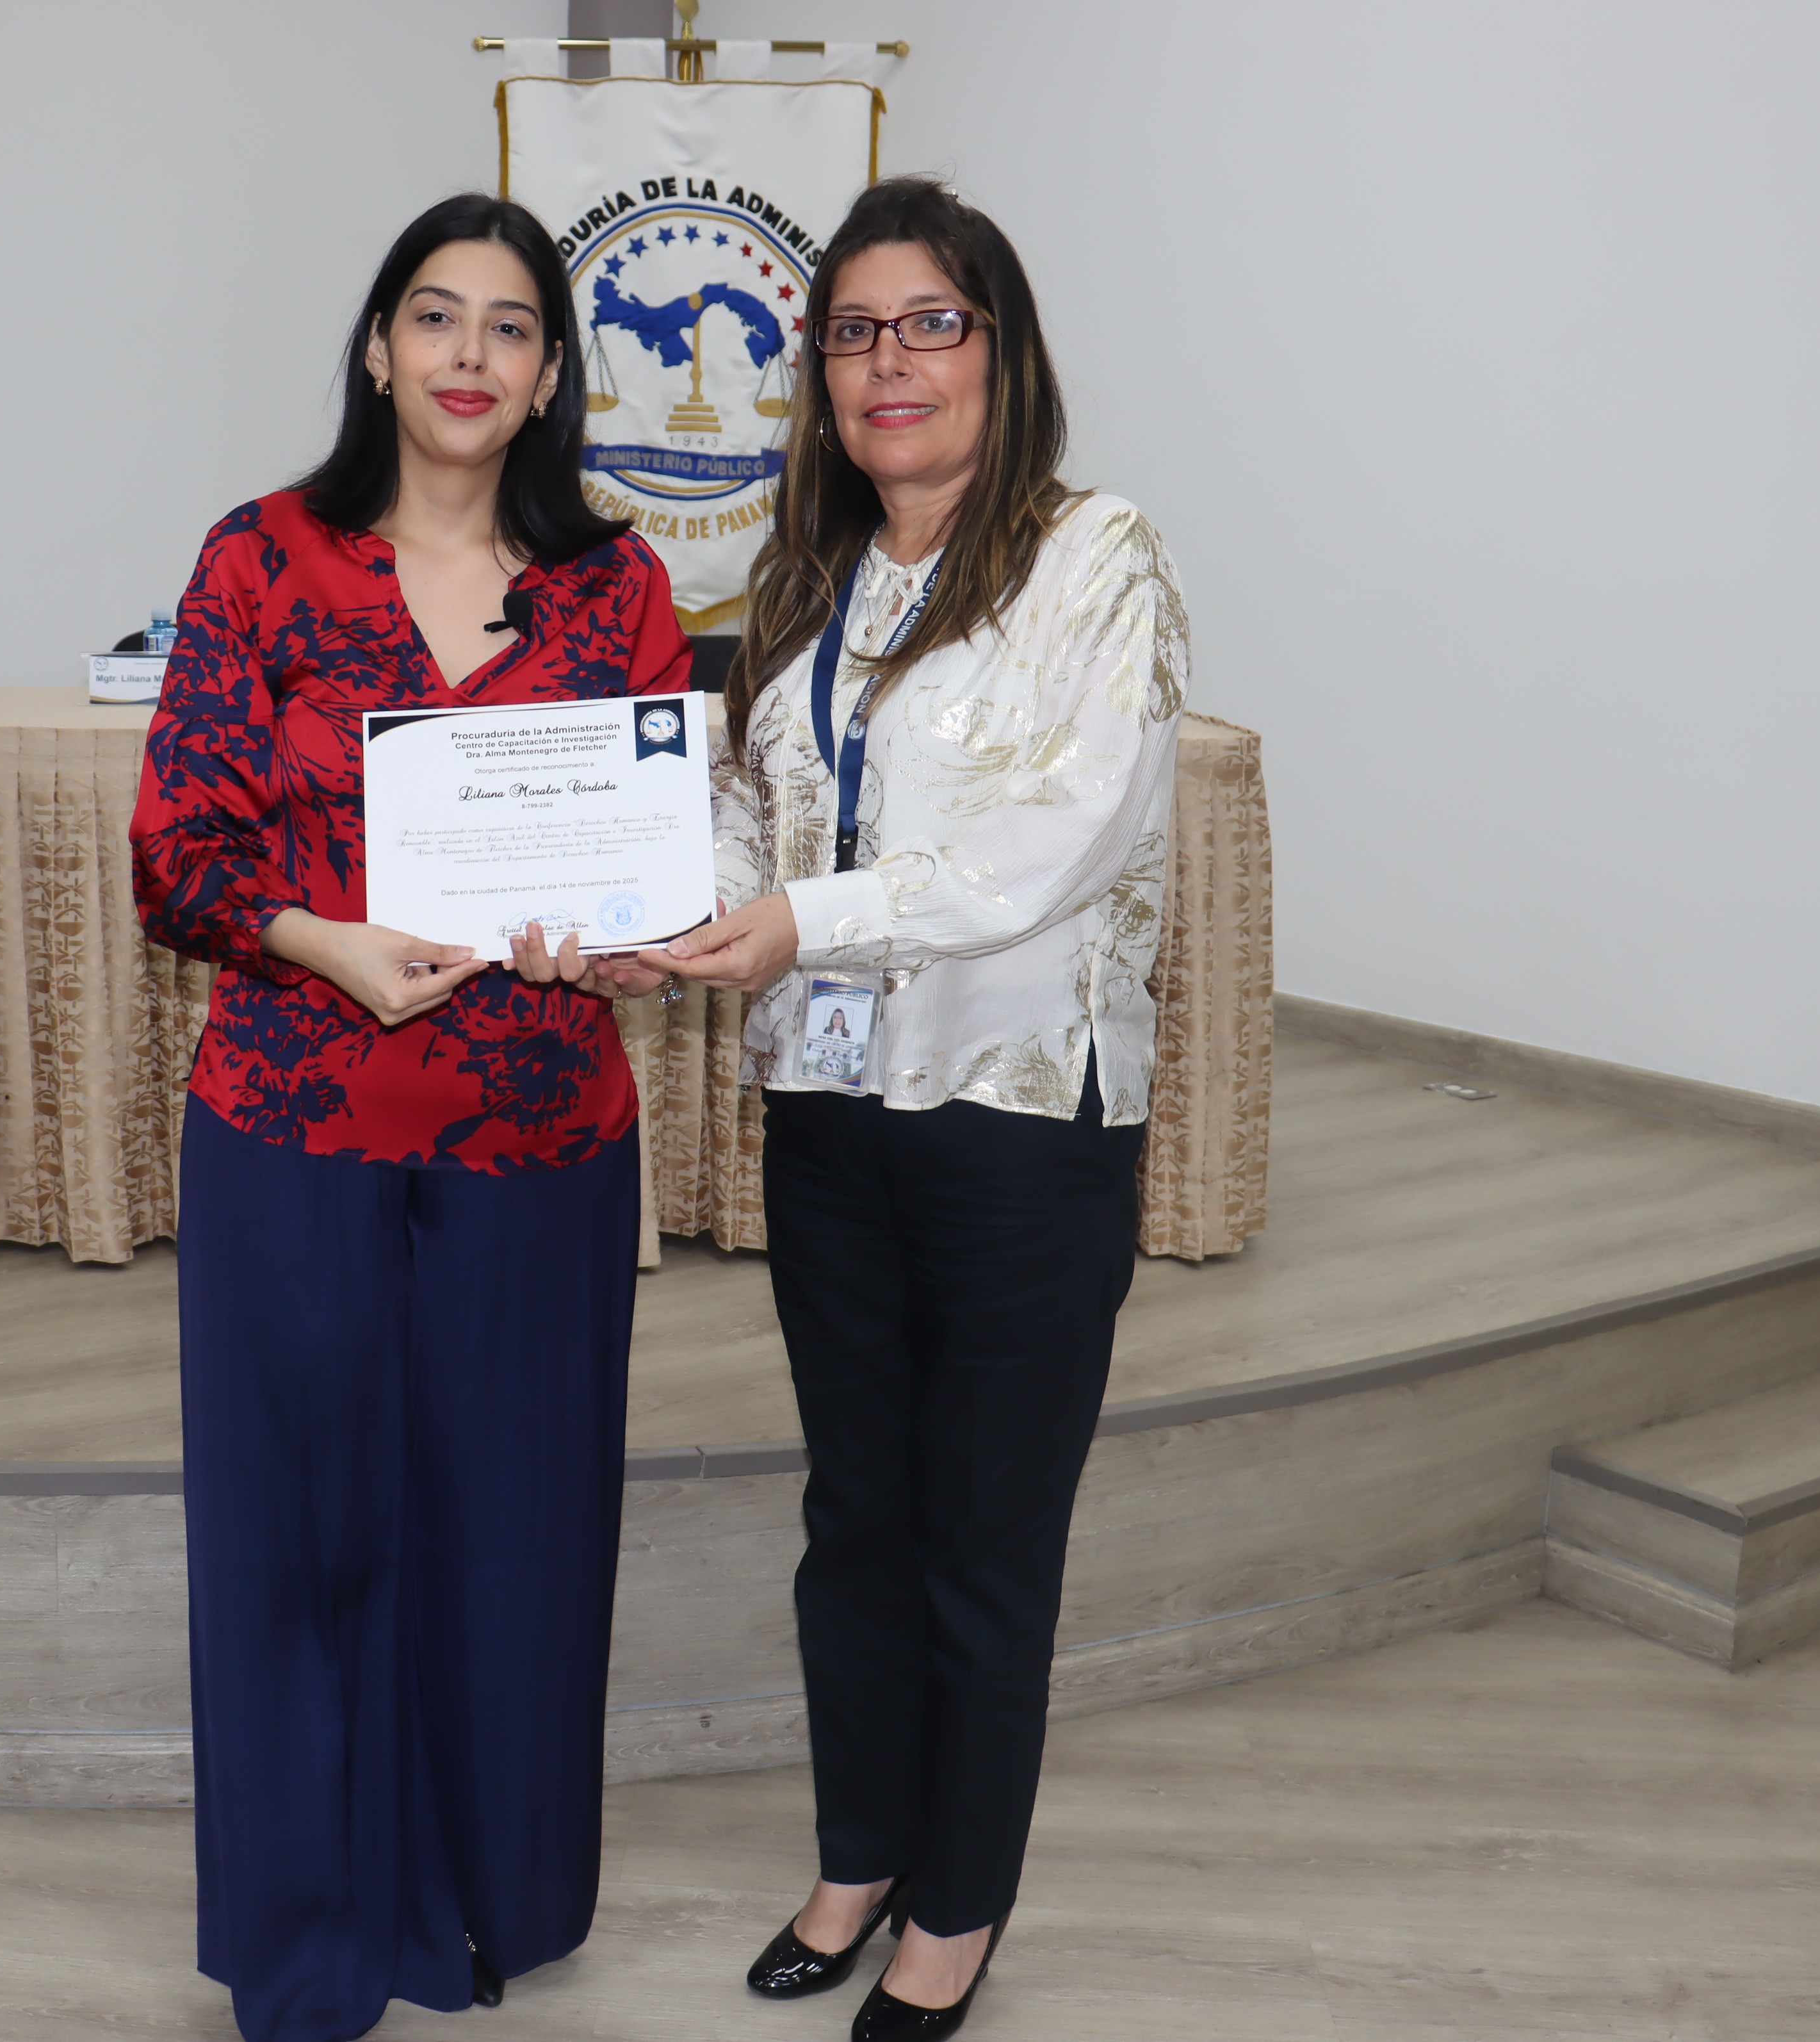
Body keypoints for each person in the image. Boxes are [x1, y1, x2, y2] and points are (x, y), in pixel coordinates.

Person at [130, 192, 690, 2042]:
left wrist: (623, 941)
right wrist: (328, 944)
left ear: (549, 374)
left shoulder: (615, 586)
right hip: (294, 1123)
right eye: (436, 316)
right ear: (379, 348)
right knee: (295, 1544)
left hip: (541, 1142)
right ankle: (308, 1933)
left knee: (511, 1543)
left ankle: (476, 1906)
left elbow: (650, 864)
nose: (469, 353)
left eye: (510, 326)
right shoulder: (260, 556)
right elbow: (179, 850)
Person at [646, 176, 1189, 2039]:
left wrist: (805, 919)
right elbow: (750, 804)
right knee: (857, 1517)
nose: (891, 363)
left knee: (982, 1540)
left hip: (1019, 1123)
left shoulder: (1092, 556)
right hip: (830, 1112)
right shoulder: (806, 577)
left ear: (999, 351)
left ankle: (956, 1909)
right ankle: (860, 1852)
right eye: (855, 332)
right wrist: (680, 915)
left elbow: (1060, 838)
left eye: (930, 324)